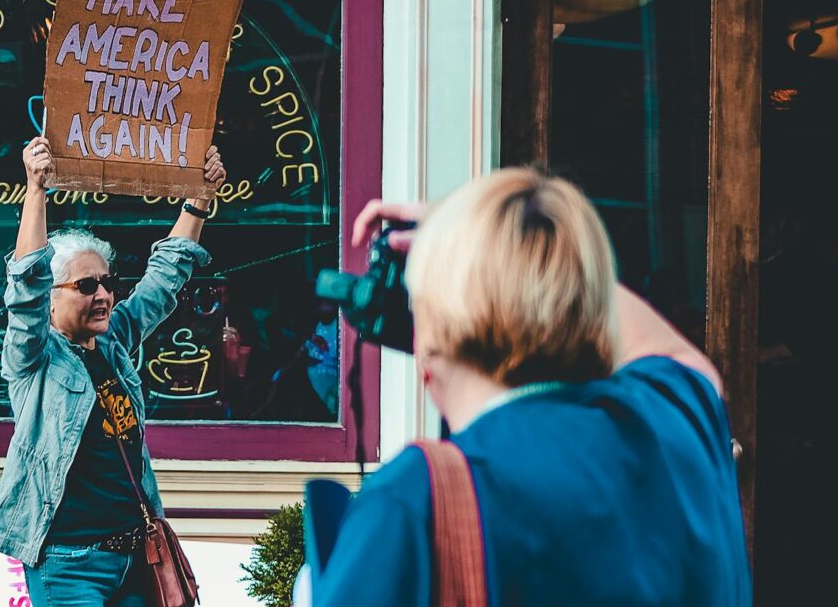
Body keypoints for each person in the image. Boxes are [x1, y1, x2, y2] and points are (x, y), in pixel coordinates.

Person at [311, 169, 751, 606]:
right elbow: (684, 360)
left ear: (429, 346)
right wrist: (522, 256)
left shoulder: (416, 504)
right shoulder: (674, 425)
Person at [0, 136, 226, 606]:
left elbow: (164, 280)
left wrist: (198, 202)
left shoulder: (112, 342)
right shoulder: (34, 357)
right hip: (67, 565)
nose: (103, 295)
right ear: (52, 299)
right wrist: (35, 189)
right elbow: (25, 284)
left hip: (136, 558)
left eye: (107, 283)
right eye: (85, 285)